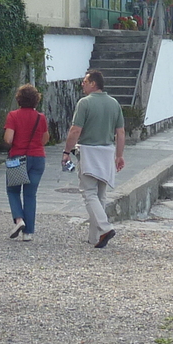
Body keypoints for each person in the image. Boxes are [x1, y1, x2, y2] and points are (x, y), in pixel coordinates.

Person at [63, 69, 126, 248]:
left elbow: (75, 130)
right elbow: (120, 133)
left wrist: (66, 151)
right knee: (100, 194)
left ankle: (105, 228)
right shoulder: (114, 104)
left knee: (88, 192)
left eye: (85, 81)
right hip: (107, 151)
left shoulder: (85, 103)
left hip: (89, 150)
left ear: (93, 83)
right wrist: (119, 155)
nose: (82, 84)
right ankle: (94, 236)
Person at [3, 83, 49, 242]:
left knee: (13, 191)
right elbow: (45, 139)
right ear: (36, 100)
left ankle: (19, 220)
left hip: (18, 158)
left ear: (19, 99)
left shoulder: (13, 116)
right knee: (30, 195)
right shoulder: (40, 117)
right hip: (37, 158)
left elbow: (8, 138)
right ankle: (28, 233)